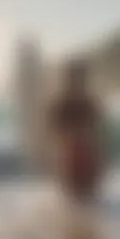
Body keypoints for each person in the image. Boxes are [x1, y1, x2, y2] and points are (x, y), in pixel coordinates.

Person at [46, 58, 106, 202]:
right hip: (72, 150)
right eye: (78, 76)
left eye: (81, 77)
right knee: (77, 195)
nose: (81, 81)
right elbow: (53, 125)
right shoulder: (65, 101)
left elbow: (97, 125)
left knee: (83, 195)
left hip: (82, 150)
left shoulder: (87, 100)